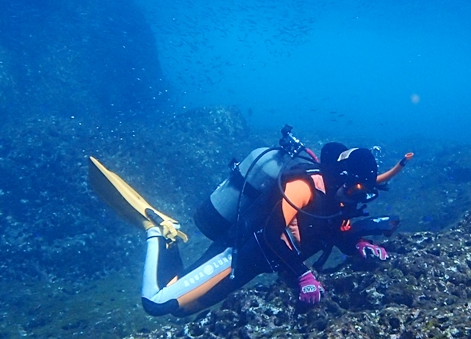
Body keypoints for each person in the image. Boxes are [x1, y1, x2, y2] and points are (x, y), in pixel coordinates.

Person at [88, 127, 411, 317]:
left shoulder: (339, 196)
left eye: (365, 191)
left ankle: (171, 239)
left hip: (255, 266)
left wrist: (358, 245)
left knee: (183, 309)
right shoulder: (302, 186)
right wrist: (302, 276)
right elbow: (271, 233)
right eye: (356, 187)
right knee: (157, 303)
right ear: (342, 176)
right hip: (237, 253)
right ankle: (156, 230)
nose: (357, 196)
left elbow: (329, 229)